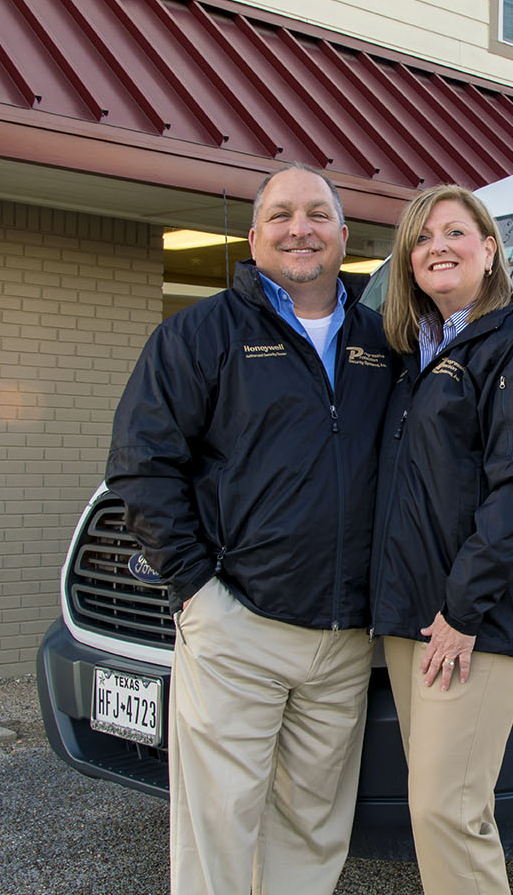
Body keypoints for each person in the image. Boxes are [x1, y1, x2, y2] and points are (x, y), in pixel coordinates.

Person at [107, 163, 395, 895]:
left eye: (317, 215)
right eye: (282, 215)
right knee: (218, 831)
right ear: (254, 234)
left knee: (311, 832)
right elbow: (142, 466)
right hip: (238, 626)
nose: (300, 229)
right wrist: (199, 591)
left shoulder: (383, 341)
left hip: (344, 642)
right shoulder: (200, 334)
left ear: (343, 234)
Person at [371, 184, 513, 894]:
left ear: (490, 252)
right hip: (413, 618)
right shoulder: (416, 355)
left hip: (473, 621)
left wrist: (462, 612)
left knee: (447, 810)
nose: (438, 247)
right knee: (443, 810)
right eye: (422, 238)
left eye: (456, 233)